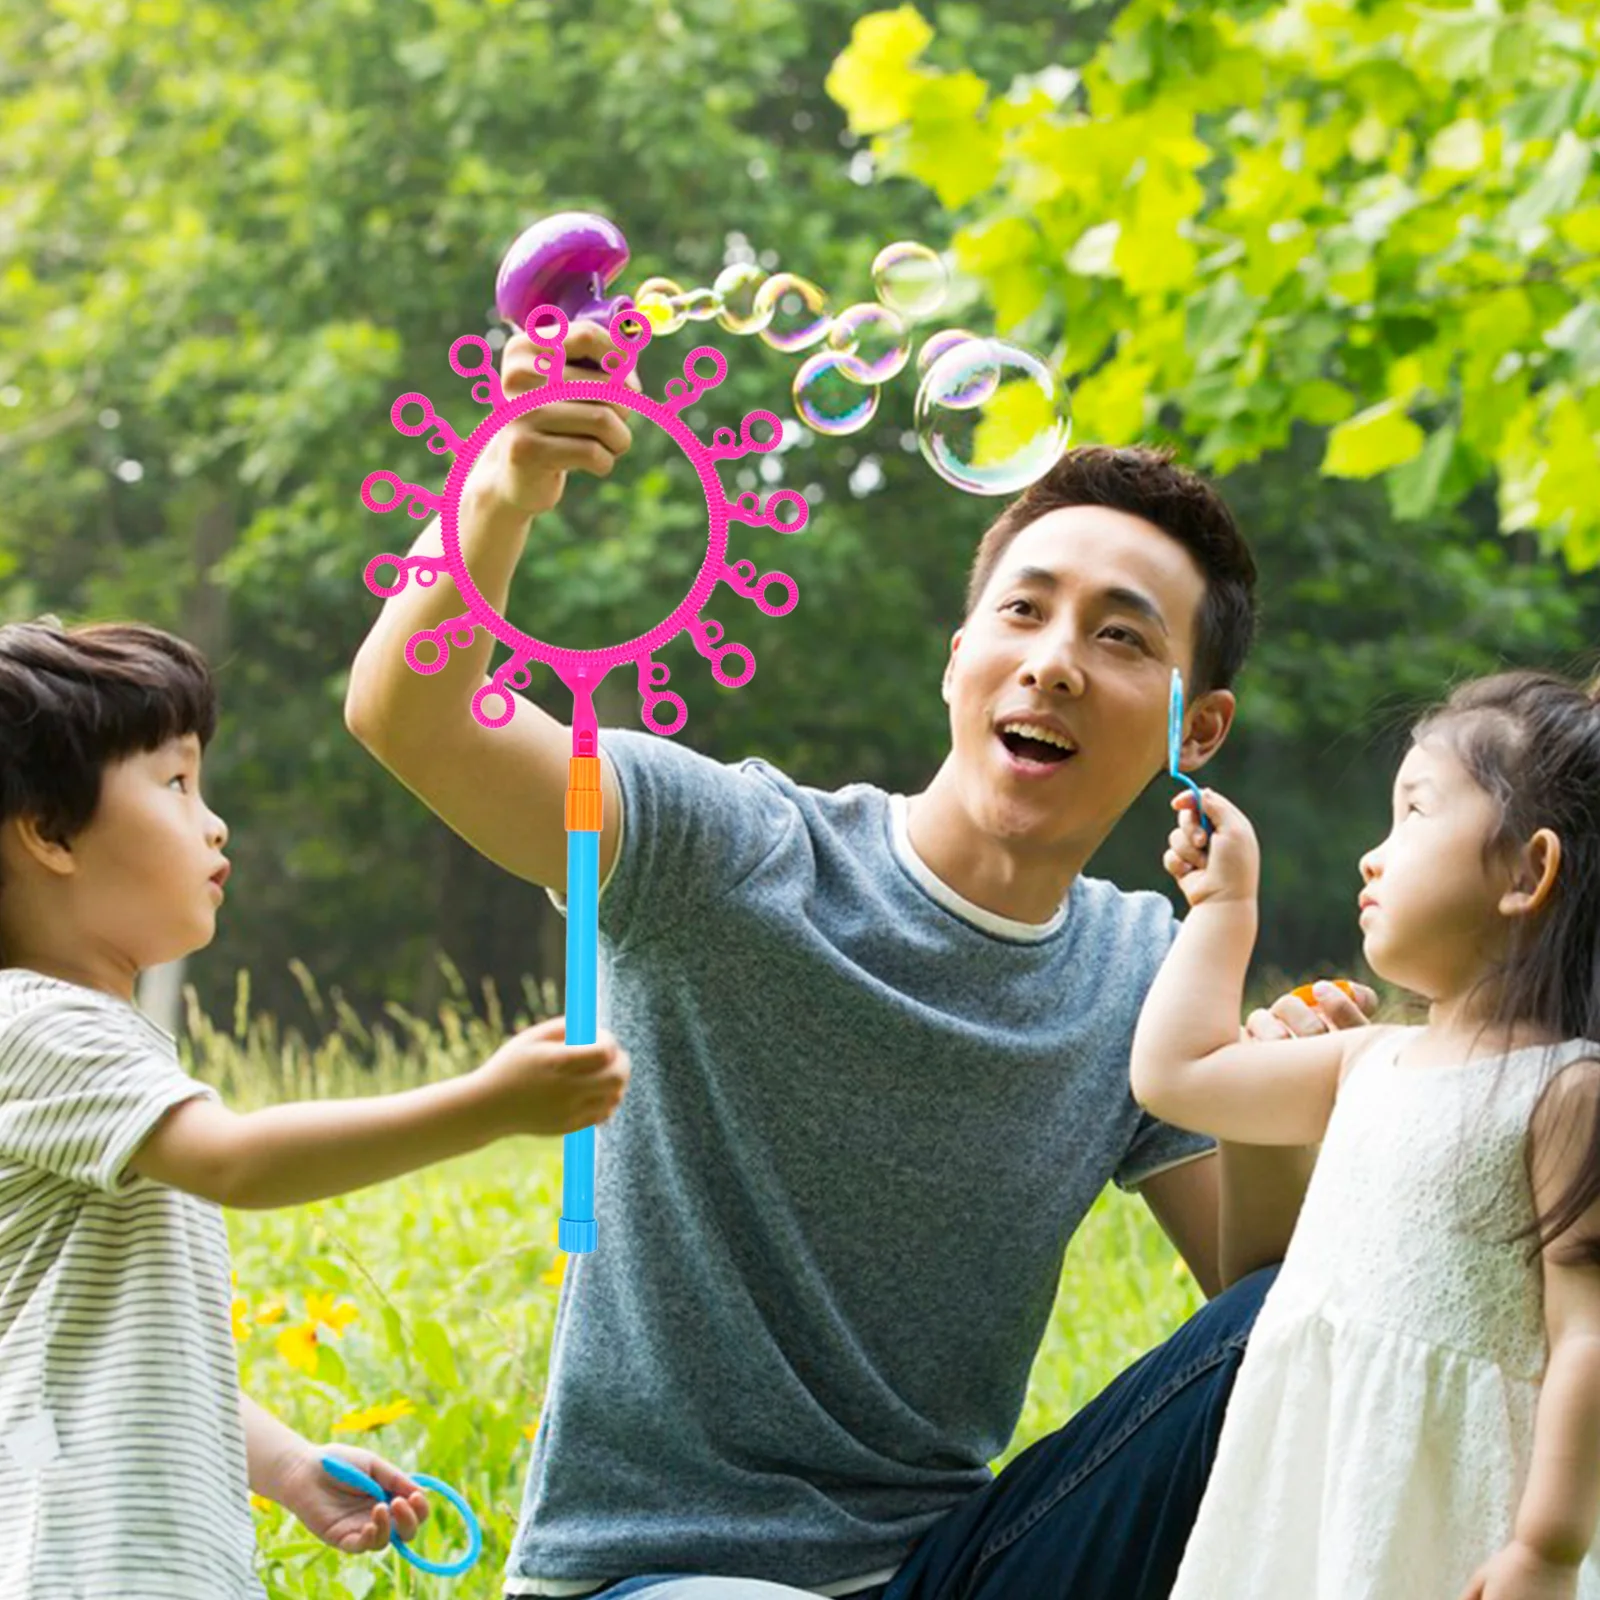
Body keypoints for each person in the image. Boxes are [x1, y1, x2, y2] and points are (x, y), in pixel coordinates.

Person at [344, 318, 1373, 1600]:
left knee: (1310, 1329)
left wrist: (1276, 1097)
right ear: (961, 663)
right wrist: (498, 490)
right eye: (1023, 611)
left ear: (1197, 726)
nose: (1053, 660)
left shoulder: (1142, 973)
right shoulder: (731, 851)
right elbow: (410, 716)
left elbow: (1253, 1309)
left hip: (947, 1569)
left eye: (1121, 638)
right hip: (659, 1575)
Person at [0, 620, 630, 1599]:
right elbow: (239, 1159)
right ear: (47, 831)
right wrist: (480, 1105)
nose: (213, 824)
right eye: (174, 784)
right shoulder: (39, 1026)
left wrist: (289, 1464)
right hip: (77, 1561)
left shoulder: (87, 1042)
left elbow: (137, 1360)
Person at [1131, 669, 1600, 1598]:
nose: (1371, 858)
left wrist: (1547, 1548)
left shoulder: (1566, 1093)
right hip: (1309, 1474)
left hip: (1452, 1511)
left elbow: (1587, 1335)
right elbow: (1176, 1075)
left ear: (1527, 872)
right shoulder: (1367, 1063)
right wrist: (1224, 911)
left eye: (1414, 814)